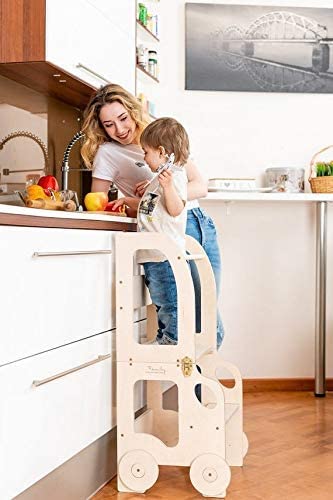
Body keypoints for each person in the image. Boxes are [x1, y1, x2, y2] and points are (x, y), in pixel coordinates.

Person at [81, 83, 224, 348]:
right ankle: (193, 386)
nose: (120, 129)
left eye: (123, 118)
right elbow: (99, 204)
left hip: (199, 223)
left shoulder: (157, 136)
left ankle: (199, 386)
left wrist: (158, 189)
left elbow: (199, 185)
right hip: (171, 230)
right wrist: (152, 196)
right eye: (109, 124)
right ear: (101, 128)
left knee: (208, 314)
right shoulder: (108, 153)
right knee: (190, 319)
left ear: (133, 112)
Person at [110, 117, 188, 345]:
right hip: (153, 256)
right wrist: (127, 201)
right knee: (161, 300)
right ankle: (166, 337)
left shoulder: (175, 178)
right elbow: (152, 207)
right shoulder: (159, 180)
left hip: (164, 256)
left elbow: (176, 209)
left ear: (162, 152)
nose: (144, 157)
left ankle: (172, 340)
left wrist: (167, 186)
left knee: (169, 302)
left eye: (146, 152)